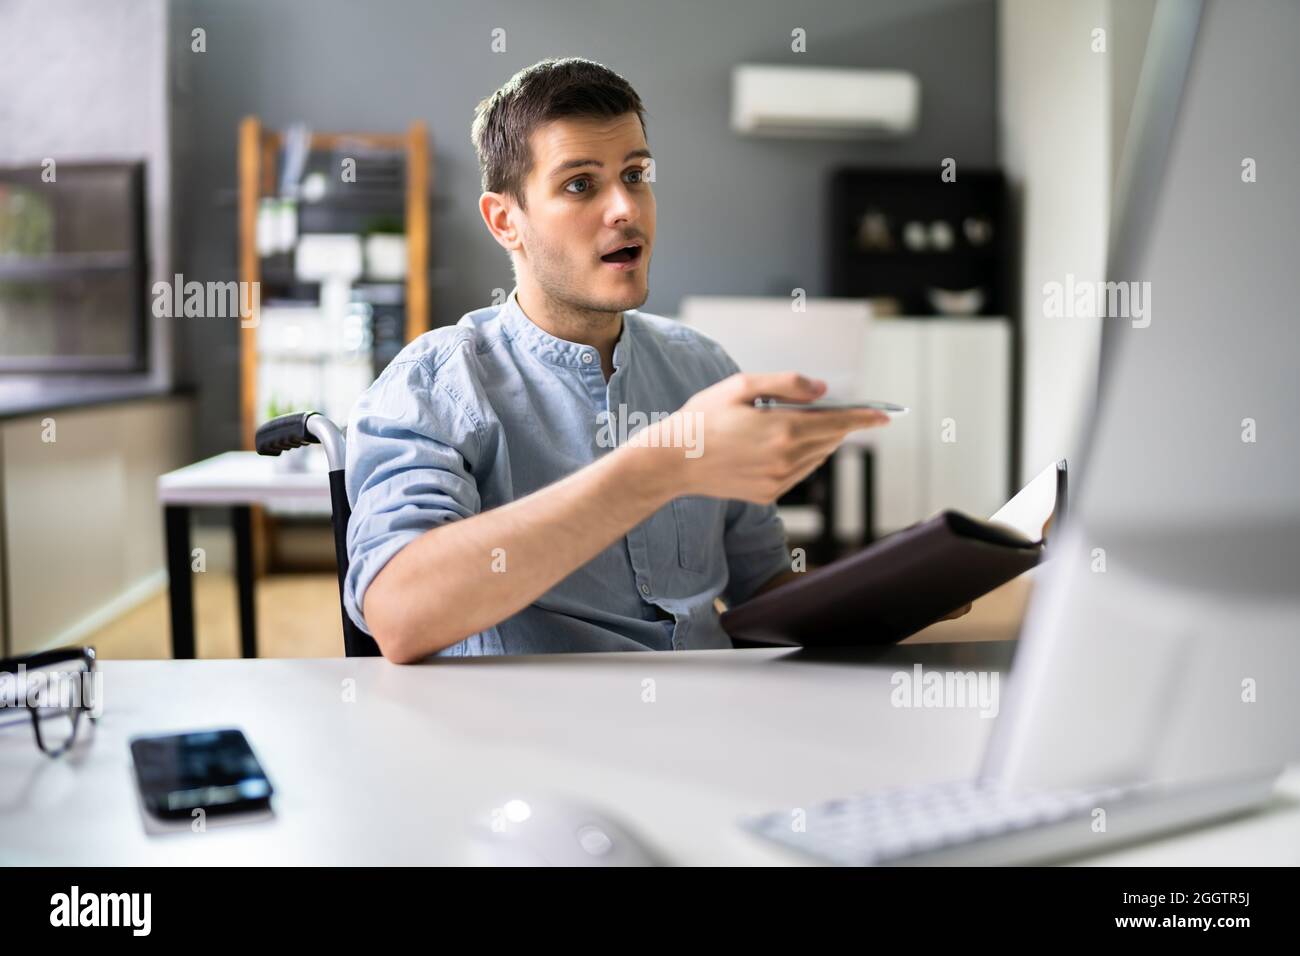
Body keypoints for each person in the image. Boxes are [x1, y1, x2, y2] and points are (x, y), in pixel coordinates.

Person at [344, 57, 898, 663]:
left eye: (635, 174)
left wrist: (890, 591)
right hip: (533, 740)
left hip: (713, 724)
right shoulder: (435, 385)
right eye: (580, 184)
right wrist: (659, 466)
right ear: (506, 221)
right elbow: (398, 614)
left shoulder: (703, 367)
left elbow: (760, 587)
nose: (625, 208)